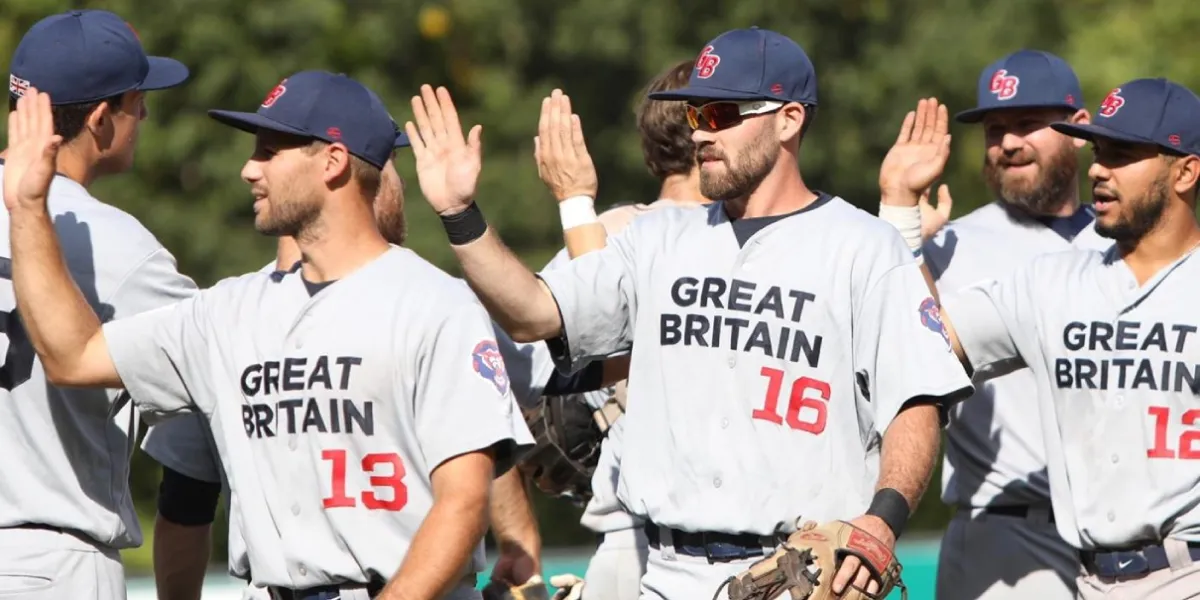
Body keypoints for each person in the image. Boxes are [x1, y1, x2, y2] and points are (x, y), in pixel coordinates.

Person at [404, 26, 974, 599]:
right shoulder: (656, 240)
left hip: (804, 572)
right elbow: (532, 313)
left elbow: (915, 400)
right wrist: (460, 214)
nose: (702, 132)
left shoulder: (862, 247)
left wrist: (884, 518)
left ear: (789, 120)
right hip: (665, 573)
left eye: (721, 113)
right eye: (696, 114)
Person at [2, 69, 534, 600]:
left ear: (333, 161)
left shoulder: (435, 304)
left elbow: (463, 502)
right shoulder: (226, 312)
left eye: (269, 151)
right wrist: (27, 209)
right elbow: (74, 357)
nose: (249, 169)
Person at [142, 155, 554, 600]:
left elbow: (476, 435)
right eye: (377, 165)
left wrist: (515, 538)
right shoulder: (224, 317)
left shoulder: (433, 300)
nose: (390, 184)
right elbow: (186, 499)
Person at [878, 78, 1200, 600]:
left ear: (1185, 171)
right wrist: (900, 217)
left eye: (1121, 155)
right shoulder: (1050, 283)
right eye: (1100, 152)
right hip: (1081, 574)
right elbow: (921, 344)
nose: (1099, 169)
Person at [0, 9, 193, 599]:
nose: (146, 116)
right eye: (138, 102)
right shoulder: (119, 245)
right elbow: (223, 373)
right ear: (101, 120)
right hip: (49, 560)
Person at [924, 50, 1111, 600]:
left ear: (1080, 130)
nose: (1007, 142)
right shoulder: (947, 246)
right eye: (994, 129)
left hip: (1129, 540)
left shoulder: (1127, 242)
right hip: (1005, 537)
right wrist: (905, 236)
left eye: (1028, 123)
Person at [528, 58, 712, 600]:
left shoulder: (607, 230)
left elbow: (520, 383)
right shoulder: (741, 240)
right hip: (704, 538)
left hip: (624, 543)